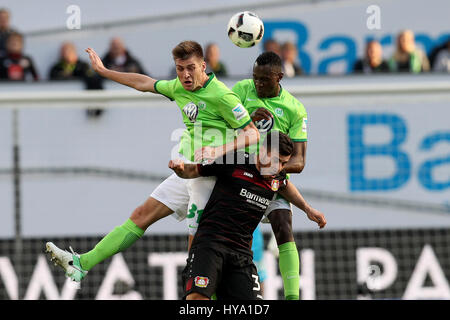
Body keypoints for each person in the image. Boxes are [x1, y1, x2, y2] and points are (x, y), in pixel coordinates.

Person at [45, 40, 260, 283]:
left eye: (191, 68)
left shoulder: (222, 95)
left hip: (212, 179)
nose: (185, 75)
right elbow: (144, 82)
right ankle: (82, 263)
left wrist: (218, 149)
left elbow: (252, 133)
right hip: (188, 172)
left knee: (199, 251)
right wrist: (105, 72)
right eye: (180, 69)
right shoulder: (178, 87)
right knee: (141, 214)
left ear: (203, 65)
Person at [169, 131, 326, 300]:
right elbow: (194, 171)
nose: (279, 167)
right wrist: (180, 170)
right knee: (197, 299)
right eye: (276, 160)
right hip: (210, 244)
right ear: (263, 151)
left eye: (283, 163)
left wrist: (308, 209)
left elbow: (286, 185)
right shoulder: (235, 160)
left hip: (241, 253)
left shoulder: (276, 176)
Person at [230, 51, 309, 300]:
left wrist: (272, 168)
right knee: (222, 236)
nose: (258, 85)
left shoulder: (295, 109)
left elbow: (299, 160)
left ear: (279, 77)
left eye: (264, 80)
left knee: (284, 225)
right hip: (237, 176)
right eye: (255, 79)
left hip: (271, 182)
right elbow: (220, 126)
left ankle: (292, 297)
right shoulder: (242, 90)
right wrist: (245, 122)